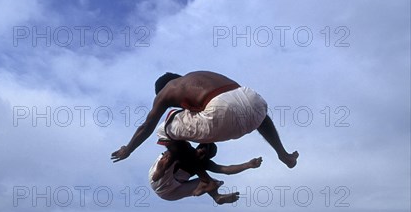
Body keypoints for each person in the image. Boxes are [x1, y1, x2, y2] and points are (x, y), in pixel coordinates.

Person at [111, 71, 298, 168]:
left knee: (165, 126)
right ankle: (283, 154)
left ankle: (202, 178)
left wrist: (128, 150)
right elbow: (238, 103)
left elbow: (147, 126)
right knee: (258, 113)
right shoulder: (199, 76)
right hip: (254, 100)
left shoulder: (166, 91)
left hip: (222, 112)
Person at [150, 128, 262, 204]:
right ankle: (161, 169)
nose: (201, 155)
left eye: (204, 155)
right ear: (198, 147)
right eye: (201, 151)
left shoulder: (205, 164)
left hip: (170, 193)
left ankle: (217, 197)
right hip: (158, 178)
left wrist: (248, 165)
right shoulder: (187, 151)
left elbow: (226, 169)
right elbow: (179, 145)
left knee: (211, 181)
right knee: (177, 152)